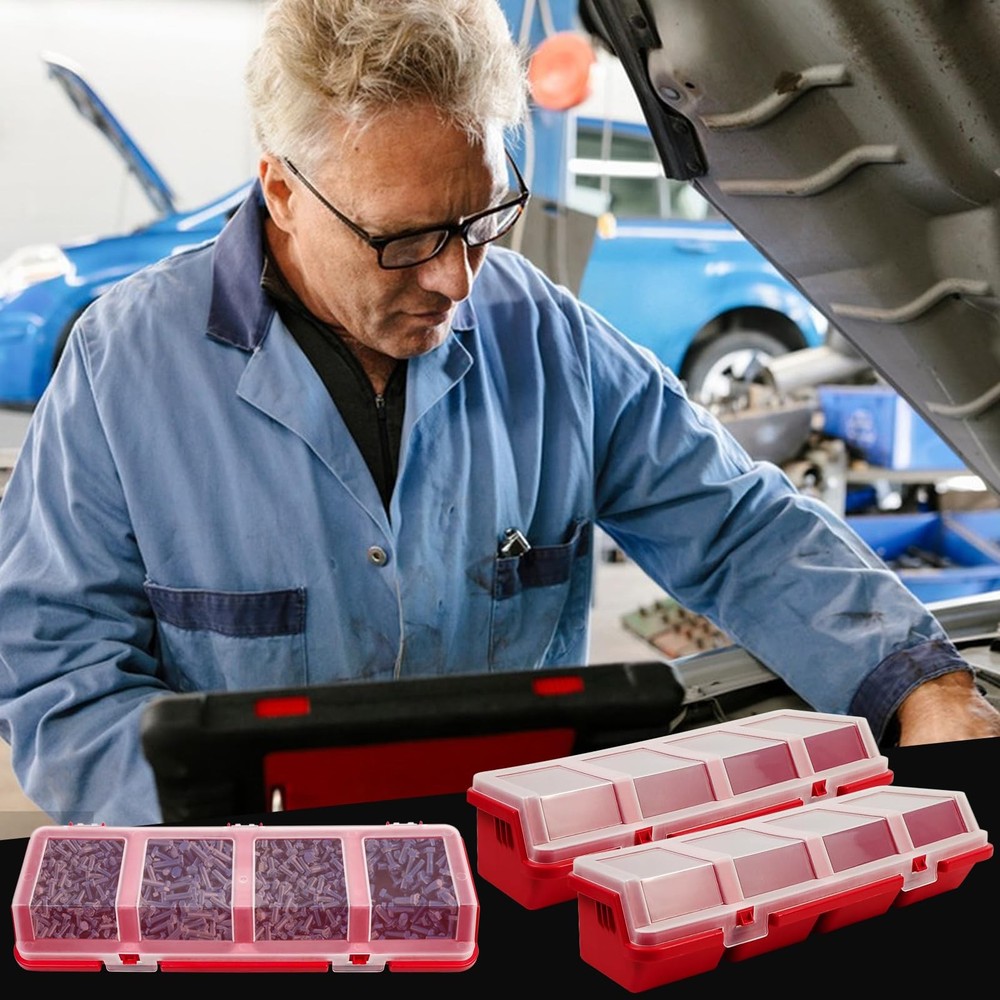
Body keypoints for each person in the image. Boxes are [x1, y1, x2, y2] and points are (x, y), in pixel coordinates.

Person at [0, 0, 998, 828]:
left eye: (481, 219)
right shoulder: (120, 367)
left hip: (502, 864)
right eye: (405, 238)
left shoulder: (549, 341)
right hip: (248, 894)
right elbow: (59, 671)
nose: (452, 277)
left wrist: (913, 677)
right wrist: (221, 849)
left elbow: (738, 527)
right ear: (281, 190)